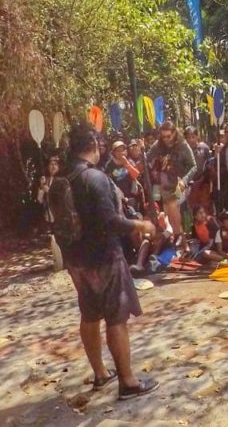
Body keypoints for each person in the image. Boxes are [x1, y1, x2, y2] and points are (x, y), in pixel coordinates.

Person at [63, 123, 159, 400]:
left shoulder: (63, 177)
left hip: (75, 259)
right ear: (94, 145)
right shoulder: (94, 178)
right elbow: (111, 221)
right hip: (103, 256)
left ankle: (101, 374)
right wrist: (141, 224)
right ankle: (128, 383)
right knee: (117, 316)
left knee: (89, 314)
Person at [147, 121, 197, 238]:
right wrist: (141, 150)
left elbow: (194, 166)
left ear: (174, 133)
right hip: (165, 185)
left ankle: (178, 235)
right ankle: (181, 241)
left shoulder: (183, 145)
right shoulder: (158, 145)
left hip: (180, 183)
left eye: (168, 136)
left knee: (172, 204)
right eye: (163, 137)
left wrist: (184, 180)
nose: (166, 139)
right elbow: (146, 158)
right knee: (170, 215)